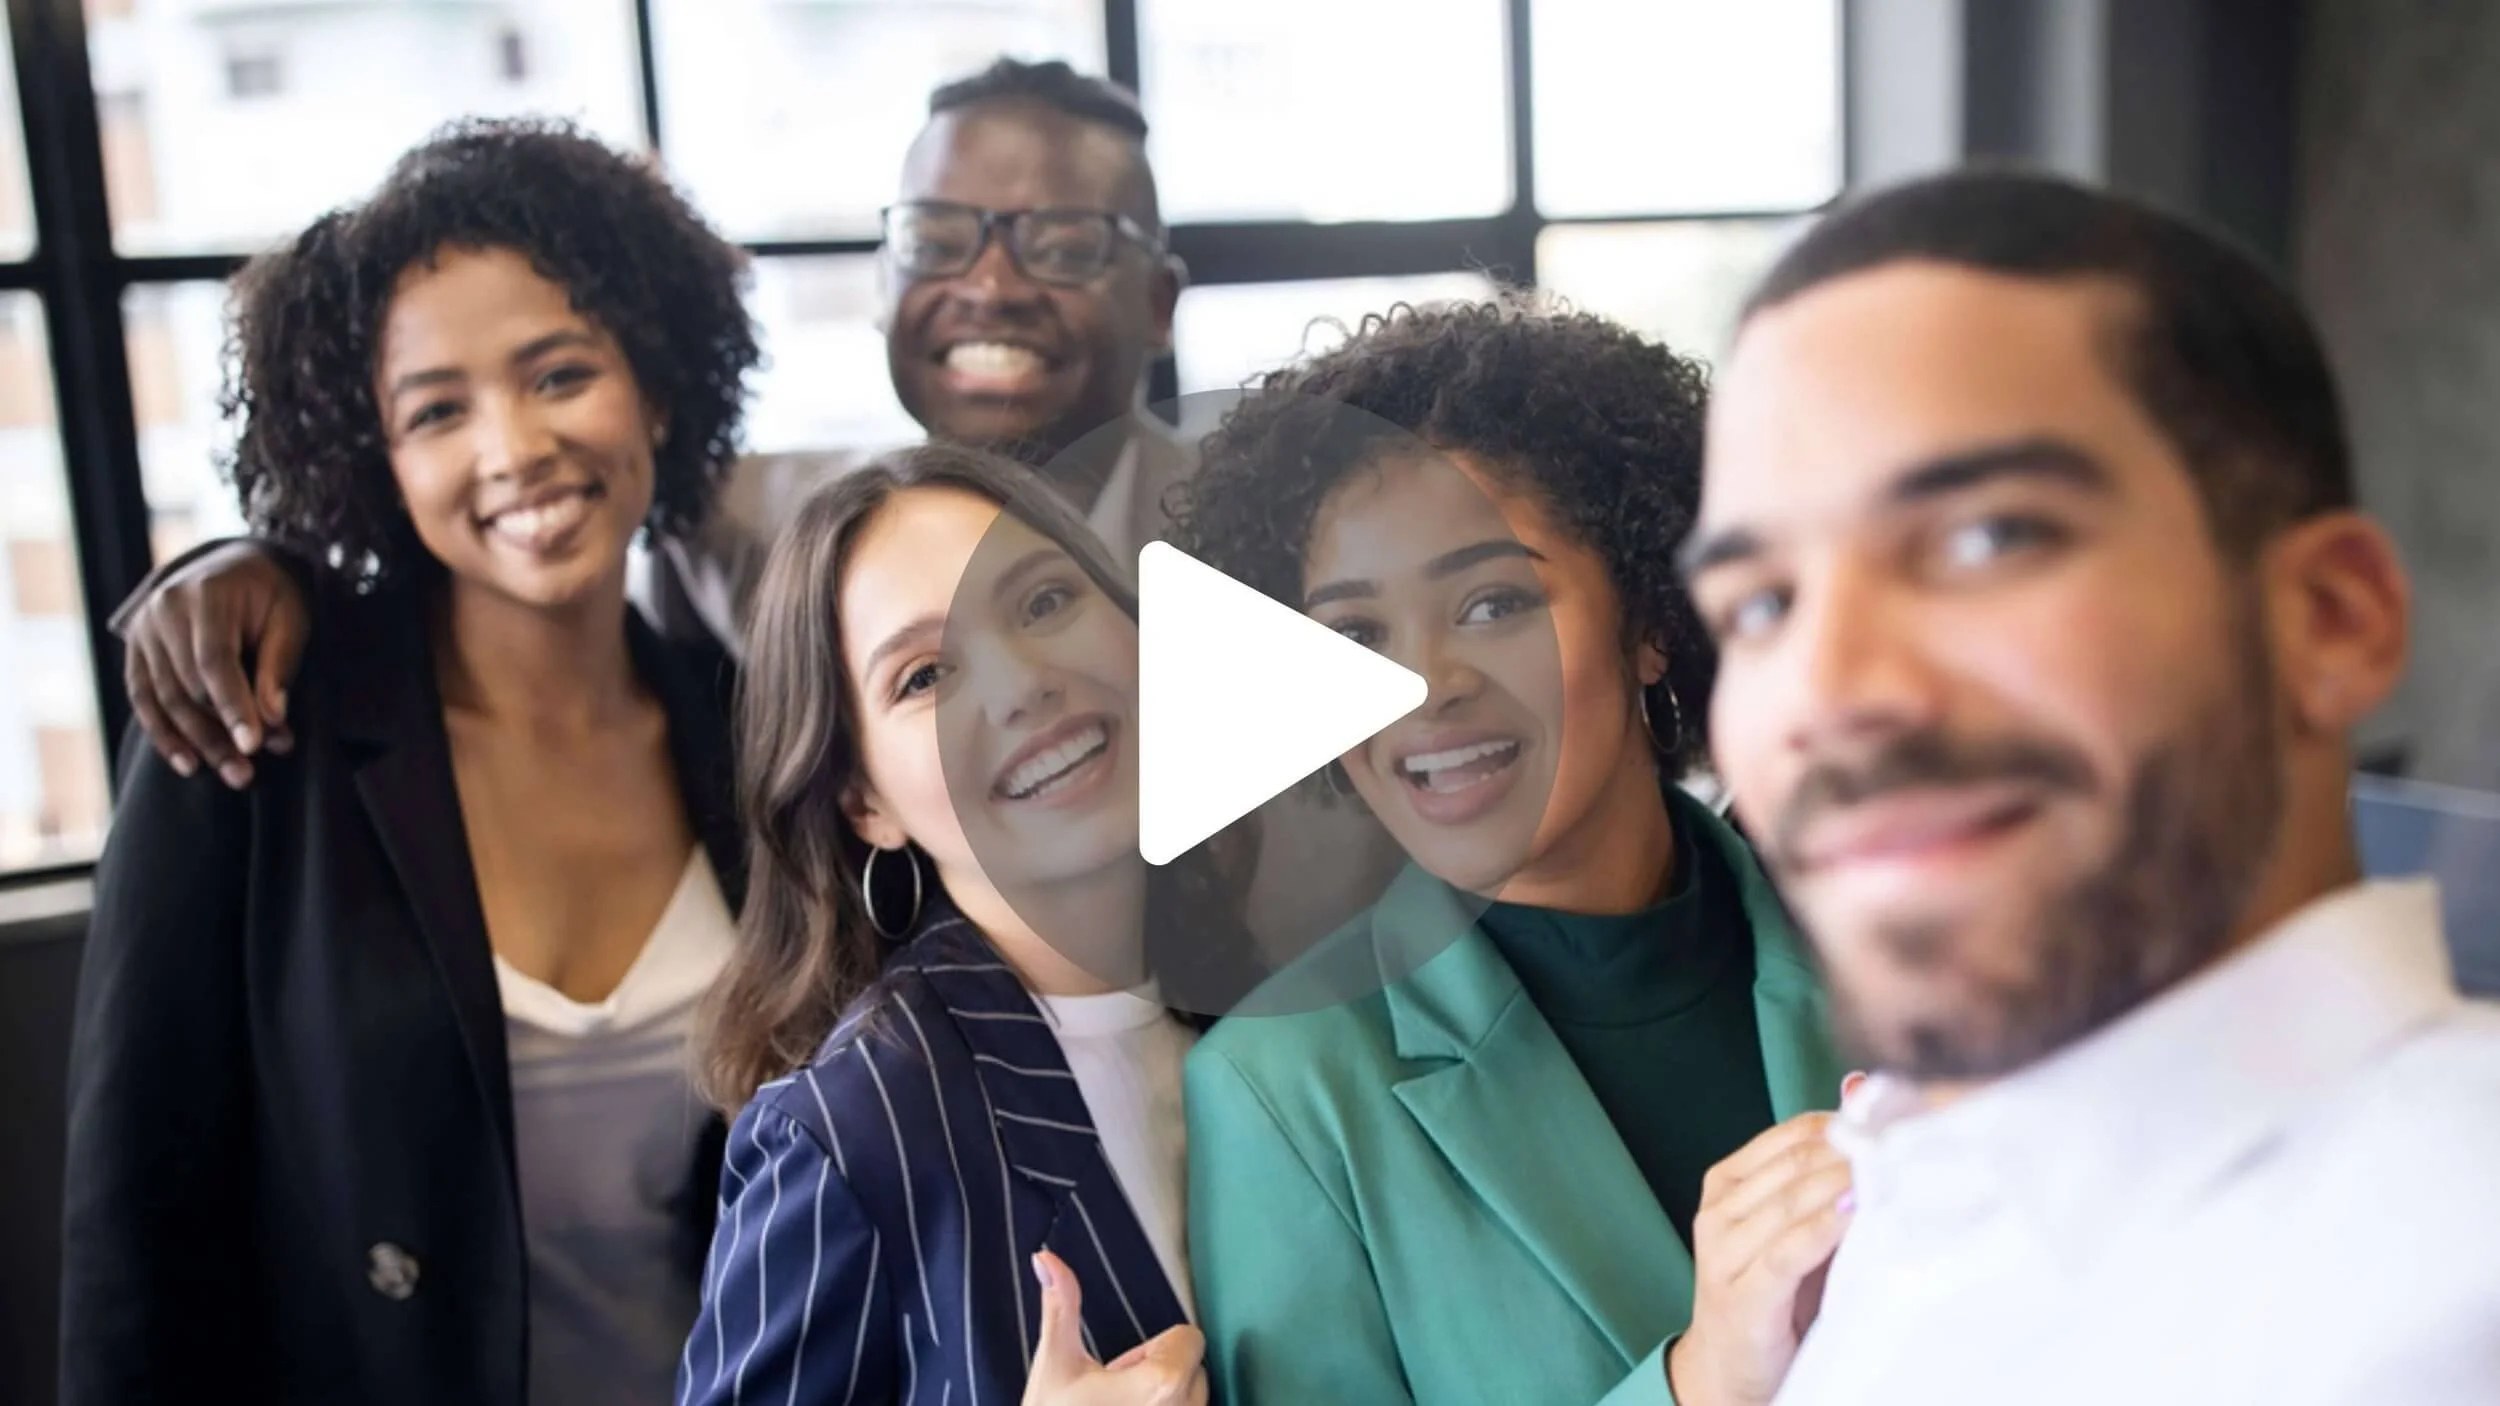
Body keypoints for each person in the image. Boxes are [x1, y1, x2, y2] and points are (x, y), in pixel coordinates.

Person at [108, 54, 1392, 963]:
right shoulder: (776, 530)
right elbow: (544, 489)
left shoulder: (1281, 550)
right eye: (938, 236)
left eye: (1059, 243)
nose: (988, 285)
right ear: (886, 279)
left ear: (1159, 301)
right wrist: (263, 559)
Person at [1671, 169, 2500, 1405]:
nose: (1828, 688)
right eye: (1761, 602)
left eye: (1988, 536)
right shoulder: (1876, 1225)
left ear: (2329, 620)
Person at [59, 119, 762, 1406]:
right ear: (376, 456)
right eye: (437, 409)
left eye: (559, 374)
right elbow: (137, 1240)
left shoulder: (753, 732)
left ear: (653, 382)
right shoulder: (255, 740)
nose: (513, 447)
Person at [1170, 297, 1848, 1406]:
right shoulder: (1285, 1092)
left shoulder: (1888, 942)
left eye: (1492, 602)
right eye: (1355, 638)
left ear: (1650, 620)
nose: (1424, 683)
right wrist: (1694, 1382)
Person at [678, 443, 1239, 1406]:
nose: (1023, 682)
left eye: (1043, 604)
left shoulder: (1290, 992)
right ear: (863, 802)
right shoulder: (853, 1132)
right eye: (925, 676)